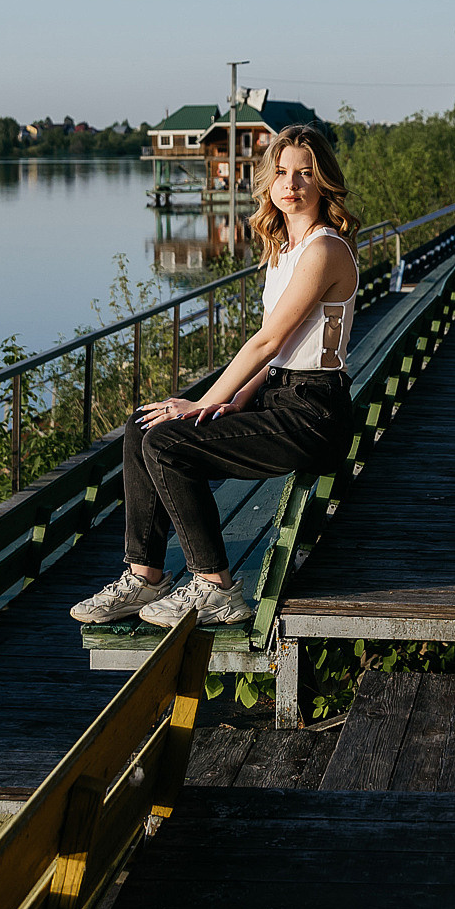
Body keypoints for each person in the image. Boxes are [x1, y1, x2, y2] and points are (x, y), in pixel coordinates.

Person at [71, 124, 359, 629]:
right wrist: (239, 398)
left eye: (305, 173)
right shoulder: (285, 250)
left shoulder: (324, 250)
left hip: (314, 415)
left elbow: (266, 342)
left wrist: (202, 403)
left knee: (167, 443)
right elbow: (279, 351)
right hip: (280, 398)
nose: (291, 183)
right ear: (269, 181)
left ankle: (215, 587)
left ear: (324, 182)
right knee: (143, 427)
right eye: (283, 173)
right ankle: (144, 576)